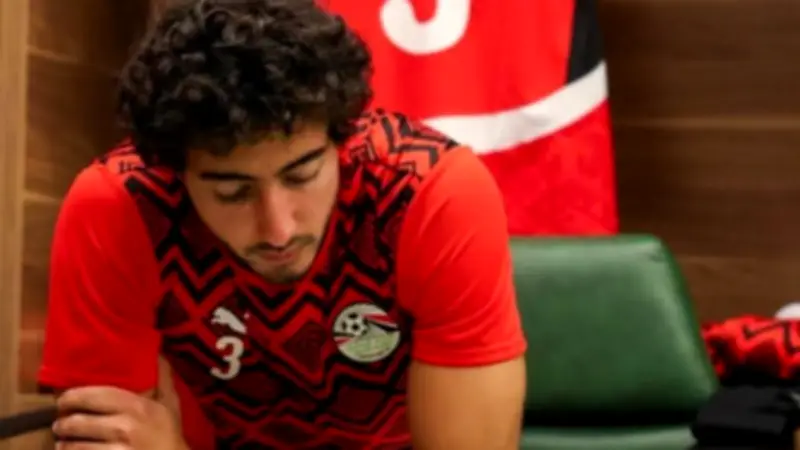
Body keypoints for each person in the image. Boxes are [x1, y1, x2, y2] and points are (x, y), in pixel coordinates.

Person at [38, 0, 527, 448]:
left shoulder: (427, 194)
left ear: (342, 137)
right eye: (233, 192)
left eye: (302, 175)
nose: (278, 229)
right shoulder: (121, 206)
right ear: (175, 173)